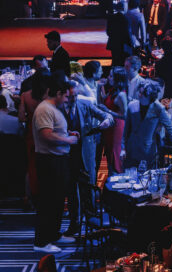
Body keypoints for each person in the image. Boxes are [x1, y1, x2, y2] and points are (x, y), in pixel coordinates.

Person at [32, 77, 79, 254]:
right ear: (58, 93)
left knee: (57, 200)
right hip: (49, 160)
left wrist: (67, 133)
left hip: (58, 159)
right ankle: (41, 241)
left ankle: (53, 234)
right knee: (48, 202)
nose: (67, 99)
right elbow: (46, 135)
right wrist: (67, 140)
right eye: (65, 96)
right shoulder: (44, 109)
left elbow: (55, 131)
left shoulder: (53, 108)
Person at [61, 85, 114, 236]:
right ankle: (74, 224)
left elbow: (107, 116)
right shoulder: (57, 107)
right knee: (71, 191)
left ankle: (91, 224)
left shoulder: (85, 104)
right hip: (66, 155)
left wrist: (106, 122)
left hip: (85, 154)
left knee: (88, 188)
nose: (72, 99)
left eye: (75, 96)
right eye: (70, 97)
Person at [122, 80, 172, 168]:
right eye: (139, 92)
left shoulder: (158, 108)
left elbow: (170, 129)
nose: (139, 95)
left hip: (149, 150)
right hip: (132, 148)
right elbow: (126, 130)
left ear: (150, 96)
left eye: (142, 93)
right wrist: (123, 148)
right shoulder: (132, 106)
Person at [101, 67, 127, 174]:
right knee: (109, 154)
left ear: (118, 78)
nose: (108, 77)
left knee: (115, 154)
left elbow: (125, 115)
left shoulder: (121, 94)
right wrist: (99, 87)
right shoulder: (112, 91)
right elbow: (101, 102)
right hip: (109, 127)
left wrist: (108, 111)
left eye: (111, 76)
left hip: (117, 128)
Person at [107, 2, 134, 67]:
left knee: (115, 62)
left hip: (113, 44)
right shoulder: (126, 19)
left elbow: (108, 32)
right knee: (122, 64)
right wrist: (132, 44)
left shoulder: (111, 18)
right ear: (124, 8)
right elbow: (127, 34)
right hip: (123, 46)